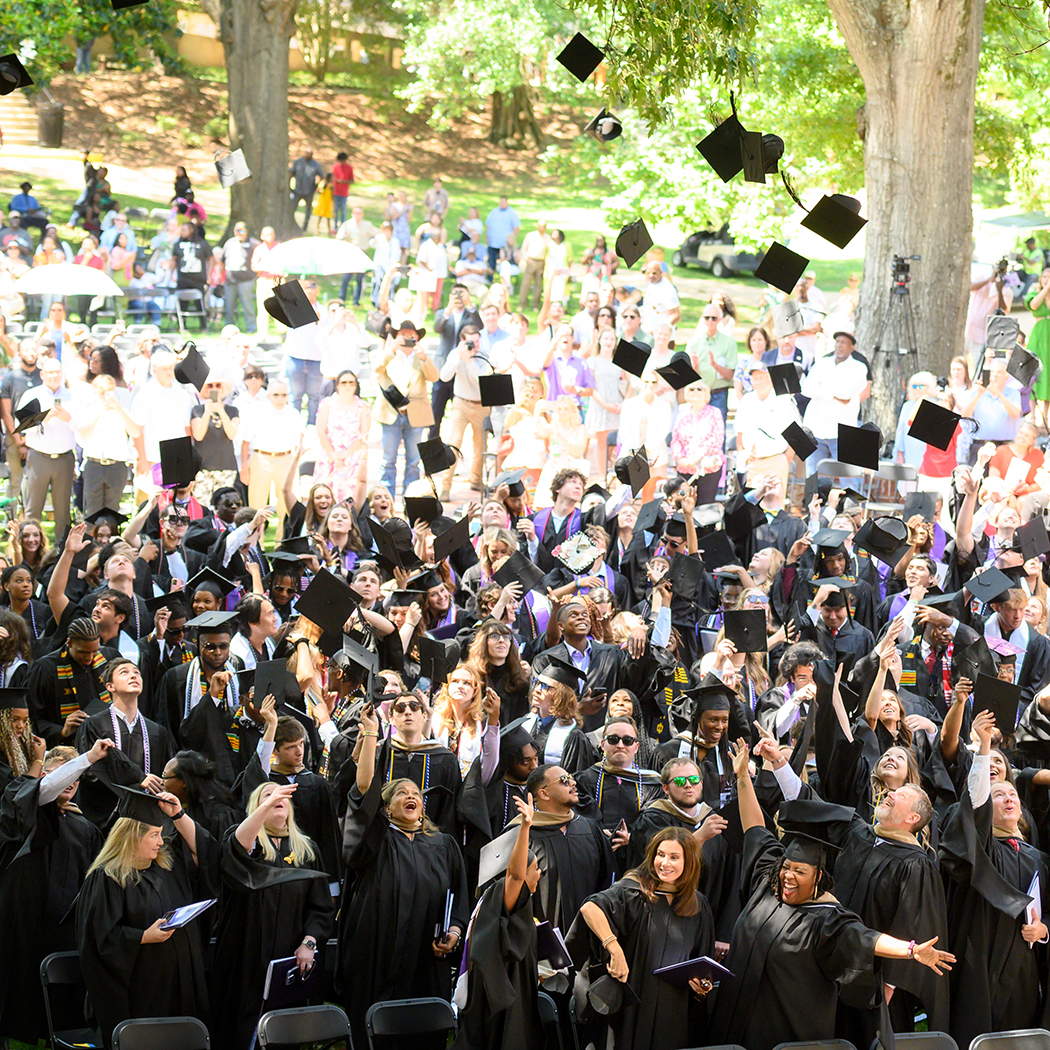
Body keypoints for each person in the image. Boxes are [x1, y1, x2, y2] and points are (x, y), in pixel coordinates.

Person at [706, 741, 955, 1050]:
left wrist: (888, 983)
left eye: (900, 795)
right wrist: (778, 766)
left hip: (864, 978)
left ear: (913, 819)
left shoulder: (916, 864)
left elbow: (908, 922)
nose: (890, 793)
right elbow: (811, 805)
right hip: (813, 964)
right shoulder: (859, 833)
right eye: (789, 867)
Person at [338, 700, 470, 1049]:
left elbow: (459, 897)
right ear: (386, 806)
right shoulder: (378, 837)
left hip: (427, 956)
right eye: (401, 793)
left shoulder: (442, 845)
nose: (411, 796)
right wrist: (369, 734)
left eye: (416, 794)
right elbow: (364, 788)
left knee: (422, 1033)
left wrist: (454, 932)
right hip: (377, 949)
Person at [940, 709, 1050, 1046]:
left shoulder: (1039, 859)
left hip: (1023, 970)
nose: (1008, 799)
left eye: (1013, 795)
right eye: (999, 795)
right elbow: (975, 805)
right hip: (979, 959)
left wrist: (1045, 930)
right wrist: (984, 747)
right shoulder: (983, 847)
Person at [76, 785, 214, 1049]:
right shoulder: (107, 878)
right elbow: (98, 939)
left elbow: (207, 853)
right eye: (154, 835)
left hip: (180, 984)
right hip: (141, 991)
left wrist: (178, 815)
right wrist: (143, 937)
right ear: (131, 837)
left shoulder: (166, 866)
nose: (161, 842)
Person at [211, 780, 336, 1049]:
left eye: (281, 796)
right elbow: (236, 848)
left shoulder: (307, 850)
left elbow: (321, 907)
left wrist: (309, 942)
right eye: (267, 795)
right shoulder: (247, 843)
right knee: (239, 1032)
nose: (276, 798)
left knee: (283, 1035)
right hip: (244, 957)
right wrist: (267, 802)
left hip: (288, 959)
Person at [568, 826, 716, 1050]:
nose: (664, 863)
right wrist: (614, 948)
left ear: (689, 862)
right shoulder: (633, 892)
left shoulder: (698, 905)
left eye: (674, 857)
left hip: (672, 1012)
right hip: (630, 1009)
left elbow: (700, 961)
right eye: (660, 854)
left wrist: (700, 987)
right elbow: (590, 908)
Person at [0, 740, 109, 1043]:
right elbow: (40, 792)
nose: (70, 783)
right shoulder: (19, 805)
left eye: (75, 778)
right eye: (63, 774)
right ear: (45, 775)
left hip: (65, 932)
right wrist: (87, 758)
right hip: (24, 928)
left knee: (66, 1012)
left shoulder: (85, 828)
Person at [451, 791, 544, 1050]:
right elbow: (516, 876)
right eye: (536, 868)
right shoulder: (504, 893)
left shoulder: (499, 902)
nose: (540, 873)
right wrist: (525, 826)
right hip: (500, 1000)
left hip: (507, 990)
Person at [373, 321, 439, 498]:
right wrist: (392, 350)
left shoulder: (422, 356)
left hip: (416, 416)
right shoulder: (389, 355)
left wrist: (424, 358)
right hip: (391, 414)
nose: (407, 338)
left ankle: (411, 501)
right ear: (396, 337)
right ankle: (385, 501)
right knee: (388, 461)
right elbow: (376, 368)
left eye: (411, 335)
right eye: (403, 335)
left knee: (413, 462)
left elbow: (434, 377)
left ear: (417, 337)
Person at [18, 357, 76, 541]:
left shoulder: (72, 396)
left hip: (64, 459)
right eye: (50, 372)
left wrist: (69, 419)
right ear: (42, 374)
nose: (54, 376)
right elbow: (23, 427)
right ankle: (30, 550)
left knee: (62, 511)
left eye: (57, 372)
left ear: (62, 373)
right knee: (33, 508)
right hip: (38, 458)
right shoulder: (31, 395)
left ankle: (62, 554)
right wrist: (42, 419)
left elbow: (82, 428)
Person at [239, 379, 304, 540]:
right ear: (268, 395)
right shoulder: (257, 412)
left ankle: (282, 545)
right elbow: (245, 442)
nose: (280, 399)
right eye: (276, 395)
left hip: (286, 458)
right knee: (257, 505)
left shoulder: (293, 413)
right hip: (261, 458)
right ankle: (255, 546)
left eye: (284, 395)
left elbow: (300, 441)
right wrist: (244, 468)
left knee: (286, 506)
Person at [800, 331, 868, 471]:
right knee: (812, 476)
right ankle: (814, 495)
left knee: (849, 478)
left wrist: (821, 386)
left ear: (852, 347)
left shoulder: (859, 367)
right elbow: (806, 389)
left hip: (843, 432)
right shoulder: (822, 363)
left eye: (843, 342)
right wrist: (833, 395)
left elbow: (846, 393)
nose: (839, 345)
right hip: (816, 428)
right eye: (837, 342)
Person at [313, 369, 370, 507]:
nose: (348, 386)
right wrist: (334, 455)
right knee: (324, 497)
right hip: (328, 457)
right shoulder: (327, 403)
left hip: (352, 459)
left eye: (351, 382)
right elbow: (320, 431)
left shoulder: (363, 406)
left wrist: (345, 454)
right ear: (337, 385)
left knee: (350, 499)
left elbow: (364, 434)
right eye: (343, 383)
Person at [670, 378, 726, 503]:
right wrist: (681, 459)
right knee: (684, 504)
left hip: (708, 468)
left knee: (705, 508)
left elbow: (717, 439)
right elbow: (675, 440)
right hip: (685, 468)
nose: (695, 391)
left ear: (706, 394)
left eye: (699, 389)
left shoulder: (715, 413)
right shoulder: (682, 414)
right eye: (691, 389)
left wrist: (696, 457)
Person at [220, 222, 259, 333]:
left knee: (247, 305)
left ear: (246, 231)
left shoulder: (253, 243)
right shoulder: (229, 243)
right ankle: (229, 329)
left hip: (246, 280)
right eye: (237, 230)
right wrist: (220, 276)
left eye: (241, 230)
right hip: (230, 280)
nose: (239, 233)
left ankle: (251, 328)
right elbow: (222, 261)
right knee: (229, 306)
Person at [289, 150, 324, 232]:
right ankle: (291, 224)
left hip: (309, 191)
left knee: (308, 209)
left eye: (310, 153)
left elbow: (321, 175)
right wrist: (289, 185)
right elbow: (291, 173)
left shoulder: (315, 164)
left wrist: (316, 185)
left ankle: (305, 226)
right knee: (292, 208)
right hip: (297, 190)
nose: (308, 155)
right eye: (306, 153)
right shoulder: (298, 162)